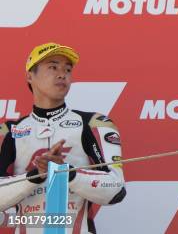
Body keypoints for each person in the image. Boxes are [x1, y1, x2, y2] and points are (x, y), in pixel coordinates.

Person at [0, 43, 126, 233]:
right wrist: (36, 176)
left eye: (67, 69)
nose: (62, 74)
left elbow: (116, 190)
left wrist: (68, 173)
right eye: (53, 67)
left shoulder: (93, 124)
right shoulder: (9, 131)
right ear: (29, 76)